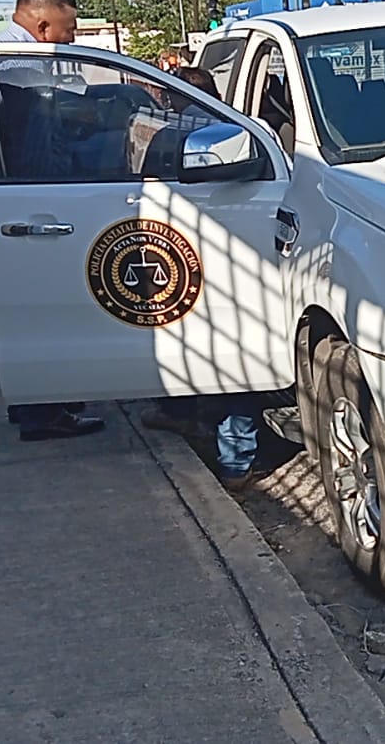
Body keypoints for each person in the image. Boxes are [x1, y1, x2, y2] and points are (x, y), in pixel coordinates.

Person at [0, 0, 106, 442]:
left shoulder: (4, 54)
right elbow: (37, 150)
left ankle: (35, 401)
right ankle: (44, 412)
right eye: (68, 27)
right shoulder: (22, 66)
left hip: (19, 202)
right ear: (41, 24)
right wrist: (57, 196)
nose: (71, 37)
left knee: (29, 309)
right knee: (46, 309)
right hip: (35, 205)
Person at [140, 64, 260, 492]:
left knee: (192, 346)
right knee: (238, 355)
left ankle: (201, 430)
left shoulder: (174, 134)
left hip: (186, 259)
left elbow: (147, 189)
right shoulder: (247, 131)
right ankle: (233, 459)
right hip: (240, 260)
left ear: (175, 98)